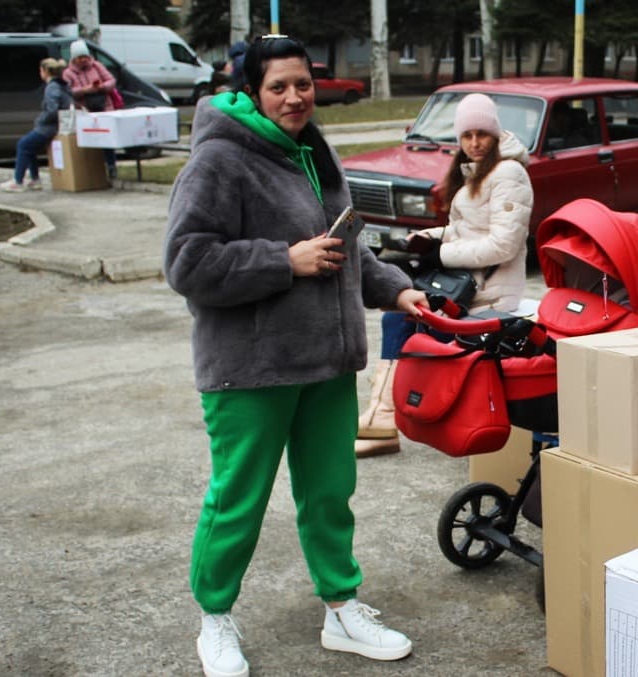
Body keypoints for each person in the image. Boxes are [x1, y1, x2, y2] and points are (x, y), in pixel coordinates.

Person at [163, 34, 426, 677]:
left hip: (326, 362)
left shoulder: (312, 151)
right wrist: (283, 261)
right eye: (278, 86)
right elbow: (186, 261)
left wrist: (397, 290)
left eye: (303, 83)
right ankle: (215, 621)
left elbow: (344, 244)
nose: (294, 96)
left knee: (331, 494)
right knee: (239, 502)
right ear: (251, 90)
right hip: (250, 369)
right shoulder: (219, 160)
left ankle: (341, 607)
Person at [354, 92, 534, 456]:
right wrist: (426, 238)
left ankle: (385, 419)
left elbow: (504, 245)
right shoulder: (475, 173)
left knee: (407, 319)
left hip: (492, 296)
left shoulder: (509, 173)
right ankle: (383, 417)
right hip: (470, 288)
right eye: (466, 136)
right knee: (400, 317)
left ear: (495, 134)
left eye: (482, 134)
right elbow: (463, 231)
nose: (474, 143)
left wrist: (442, 253)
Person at [0, 58, 71, 193]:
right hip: (56, 124)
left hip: (49, 126)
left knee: (23, 144)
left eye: (40, 70)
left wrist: (41, 120)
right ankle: (35, 180)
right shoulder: (61, 84)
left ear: (45, 72)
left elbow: (52, 109)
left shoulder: (51, 87)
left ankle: (18, 181)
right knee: (29, 147)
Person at [63, 39, 118, 179]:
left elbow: (111, 80)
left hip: (103, 107)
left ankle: (111, 166)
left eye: (85, 57)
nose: (83, 60)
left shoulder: (97, 66)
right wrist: (85, 90)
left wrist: (102, 86)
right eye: (80, 58)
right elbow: (69, 91)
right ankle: (92, 170)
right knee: (90, 139)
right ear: (74, 58)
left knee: (106, 139)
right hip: (85, 109)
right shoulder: (68, 73)